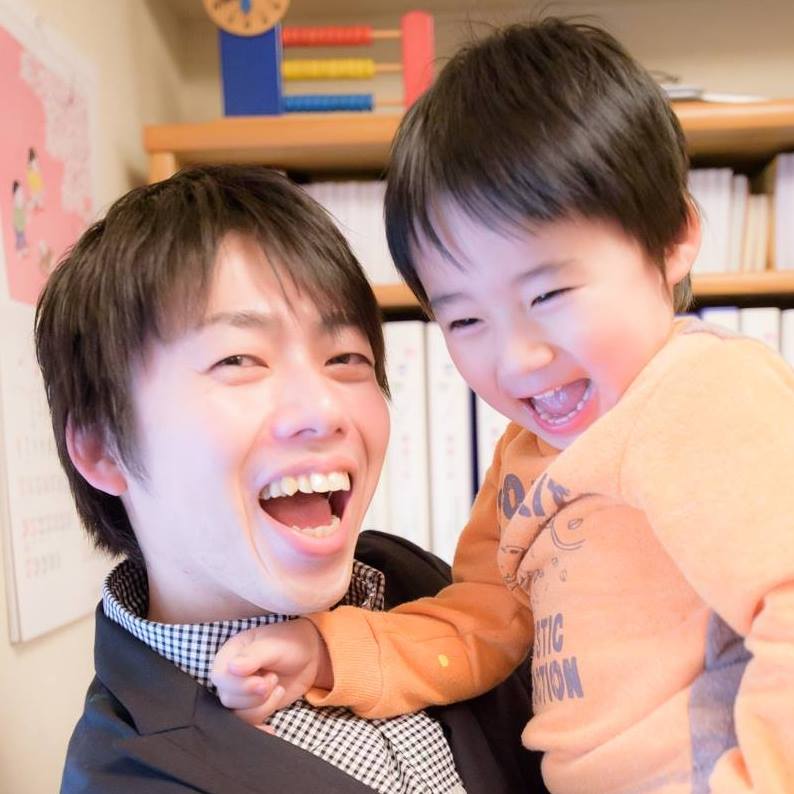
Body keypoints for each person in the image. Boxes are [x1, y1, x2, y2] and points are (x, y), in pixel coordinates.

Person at [211, 18, 794, 794]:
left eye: (549, 294)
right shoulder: (525, 457)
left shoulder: (702, 395)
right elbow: (482, 622)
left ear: (673, 239)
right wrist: (327, 653)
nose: (516, 358)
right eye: (465, 320)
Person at [35, 165, 545, 794]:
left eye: (346, 357)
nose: (323, 410)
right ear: (102, 448)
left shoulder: (417, 584)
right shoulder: (129, 777)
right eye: (238, 359)